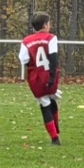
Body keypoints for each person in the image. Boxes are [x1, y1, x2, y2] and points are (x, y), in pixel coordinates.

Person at [19, 12, 61, 145]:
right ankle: (56, 132)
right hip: (49, 73)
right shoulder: (51, 38)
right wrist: (52, 76)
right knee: (51, 99)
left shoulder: (26, 41)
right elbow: (53, 58)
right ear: (45, 25)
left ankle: (54, 137)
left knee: (45, 103)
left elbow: (24, 59)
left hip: (36, 76)